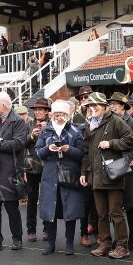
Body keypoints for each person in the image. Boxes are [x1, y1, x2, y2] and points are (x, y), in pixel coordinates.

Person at [79, 92, 133, 259]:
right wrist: (83, 172)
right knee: (101, 213)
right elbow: (87, 152)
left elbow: (130, 141)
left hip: (113, 175)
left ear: (104, 106)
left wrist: (110, 143)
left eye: (96, 105)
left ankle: (122, 246)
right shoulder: (90, 125)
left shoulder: (116, 121)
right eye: (90, 105)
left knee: (116, 213)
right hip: (96, 176)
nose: (92, 108)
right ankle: (104, 244)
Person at [36, 100, 86, 255]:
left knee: (69, 211)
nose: (59, 118)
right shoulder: (46, 131)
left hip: (69, 176)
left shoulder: (75, 131)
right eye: (56, 115)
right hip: (50, 176)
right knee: (51, 211)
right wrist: (47, 148)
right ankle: (51, 244)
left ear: (67, 115)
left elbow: (82, 153)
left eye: (62, 115)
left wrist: (69, 149)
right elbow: (37, 151)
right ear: (52, 115)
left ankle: (69, 244)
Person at [0, 92, 29, 251]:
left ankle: (17, 238)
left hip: (9, 171)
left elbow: (19, 143)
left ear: (3, 105)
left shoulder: (18, 122)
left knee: (11, 208)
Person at [108, 92, 133, 251]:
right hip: (114, 165)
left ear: (123, 105)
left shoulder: (132, 122)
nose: (112, 106)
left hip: (128, 166)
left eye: (115, 103)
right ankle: (119, 238)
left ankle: (132, 238)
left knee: (129, 204)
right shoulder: (108, 121)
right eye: (111, 103)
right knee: (115, 205)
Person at [24, 98, 50, 242]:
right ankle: (31, 230)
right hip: (32, 165)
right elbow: (22, 142)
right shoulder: (28, 124)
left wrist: (47, 131)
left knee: (46, 199)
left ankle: (47, 229)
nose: (38, 112)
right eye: (36, 110)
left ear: (47, 111)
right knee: (32, 199)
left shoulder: (51, 124)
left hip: (47, 166)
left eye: (41, 109)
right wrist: (32, 135)